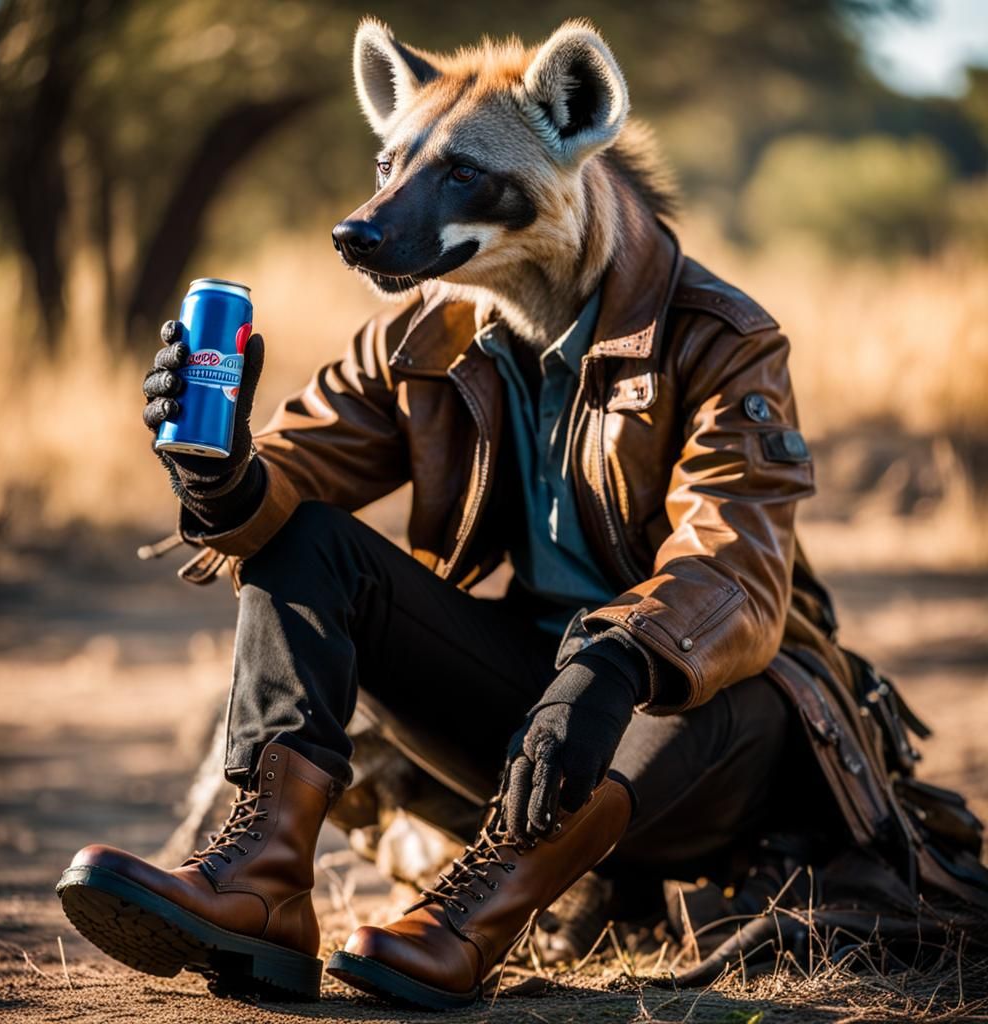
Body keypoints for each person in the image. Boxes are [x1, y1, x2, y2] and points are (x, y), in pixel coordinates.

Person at [57, 19, 986, 1010]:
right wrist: (217, 469)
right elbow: (286, 486)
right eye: (394, 164)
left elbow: (736, 572)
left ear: (576, 125)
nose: (379, 209)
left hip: (707, 758)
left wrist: (613, 660)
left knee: (721, 679)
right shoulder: (429, 331)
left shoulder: (721, 341)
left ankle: (478, 909)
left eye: (457, 177)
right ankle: (264, 877)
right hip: (537, 730)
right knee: (309, 542)